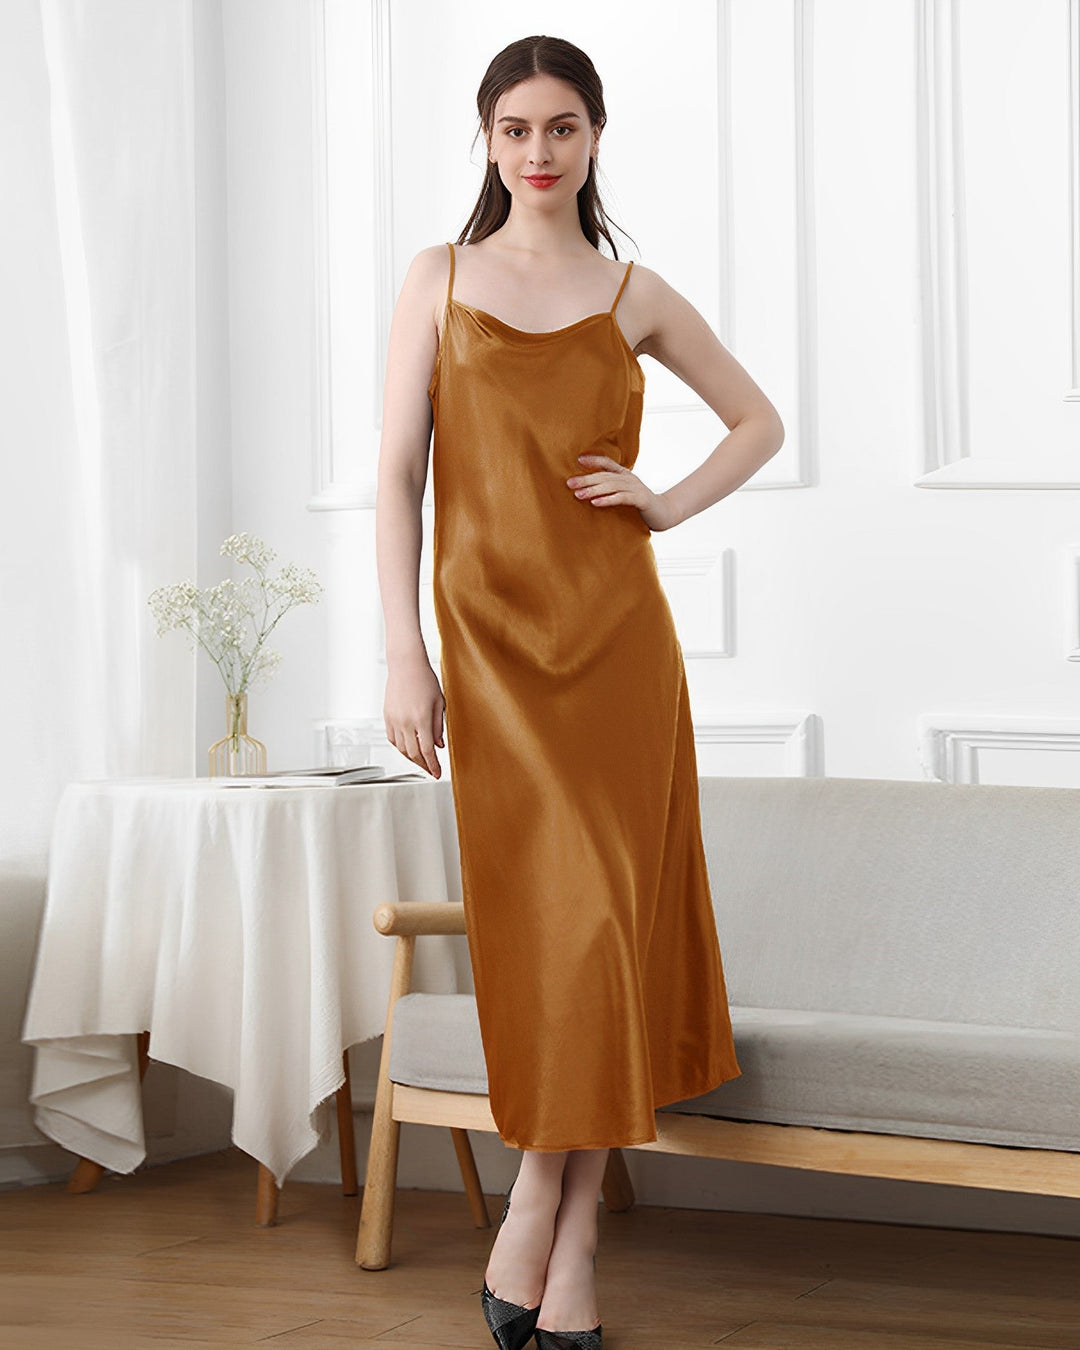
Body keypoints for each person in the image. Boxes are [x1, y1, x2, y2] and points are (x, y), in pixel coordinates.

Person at [375, 33, 784, 1350]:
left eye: (561, 127)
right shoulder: (437, 279)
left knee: (611, 931)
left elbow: (757, 419)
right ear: (485, 142)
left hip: (619, 653)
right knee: (559, 939)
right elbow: (397, 479)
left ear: (596, 134)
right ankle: (564, 1213)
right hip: (490, 658)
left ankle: (561, 1217)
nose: (537, 152)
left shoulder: (634, 292)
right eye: (513, 130)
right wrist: (404, 652)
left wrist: (661, 503)